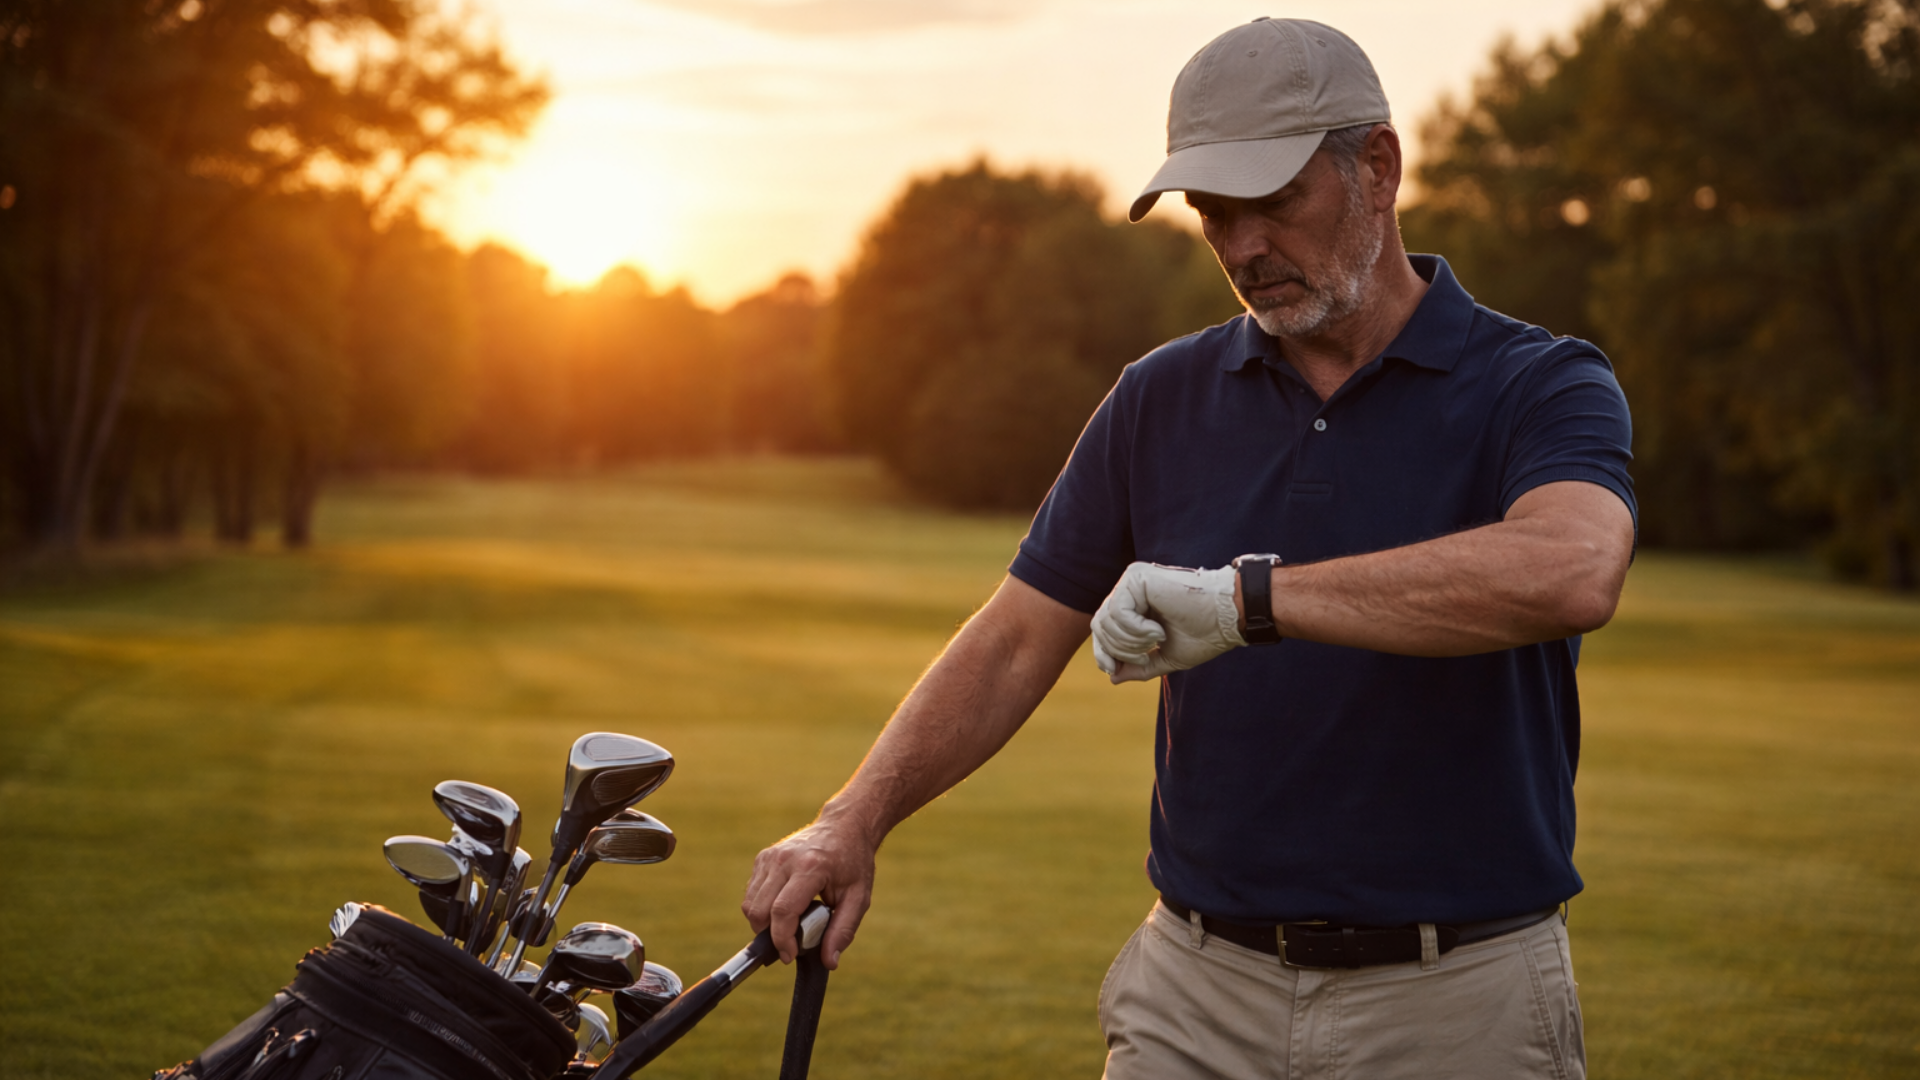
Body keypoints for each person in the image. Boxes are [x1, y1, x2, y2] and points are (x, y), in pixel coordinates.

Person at [743, 16, 1634, 1079]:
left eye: (1274, 202)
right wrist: (850, 821)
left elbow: (1571, 569)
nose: (1244, 246)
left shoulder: (1538, 384)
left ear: (1380, 169)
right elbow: (1019, 635)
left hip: (1455, 1002)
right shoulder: (1157, 398)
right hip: (1198, 993)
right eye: (1214, 212)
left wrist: (1247, 600)